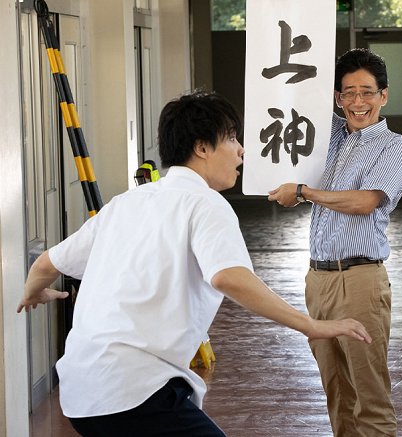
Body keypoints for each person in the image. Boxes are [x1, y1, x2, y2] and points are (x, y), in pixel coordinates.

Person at [17, 90, 372, 437]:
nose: (241, 150)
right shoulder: (205, 204)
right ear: (201, 148)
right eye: (231, 139)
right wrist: (309, 325)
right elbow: (229, 278)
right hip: (134, 392)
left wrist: (34, 293)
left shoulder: (125, 202)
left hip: (81, 395)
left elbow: (47, 264)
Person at [268, 48, 402, 436]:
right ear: (337, 98)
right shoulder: (328, 136)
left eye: (366, 92)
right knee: (336, 393)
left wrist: (304, 191)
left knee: (369, 394)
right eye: (347, 93)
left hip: (360, 281)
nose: (357, 102)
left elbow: (365, 202)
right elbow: (294, 99)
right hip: (318, 280)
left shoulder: (394, 147)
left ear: (384, 95)